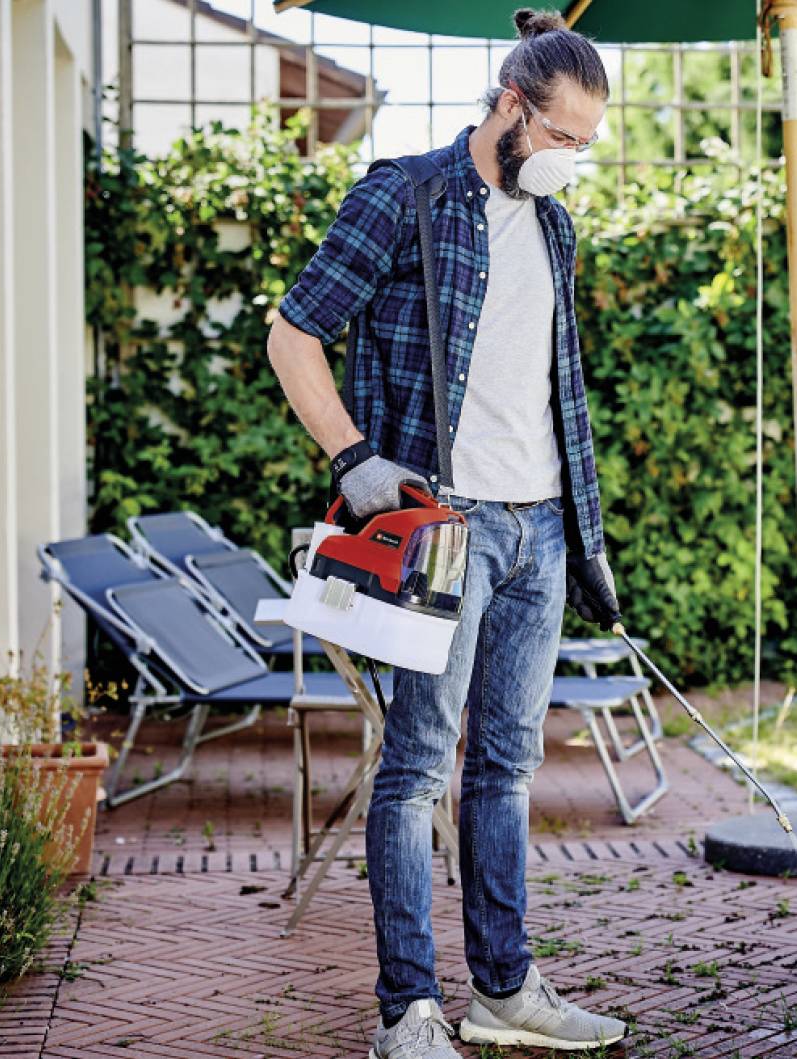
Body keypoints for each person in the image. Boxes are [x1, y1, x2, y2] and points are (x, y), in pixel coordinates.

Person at [266, 9, 626, 1057]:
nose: (573, 159)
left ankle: (504, 992)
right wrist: (351, 459)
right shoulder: (402, 196)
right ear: (510, 107)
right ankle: (407, 1011)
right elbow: (293, 333)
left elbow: (547, 386)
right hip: (442, 533)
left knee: (507, 769)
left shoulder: (553, 226)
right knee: (418, 763)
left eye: (587, 144)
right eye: (562, 136)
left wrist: (575, 525)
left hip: (541, 530)